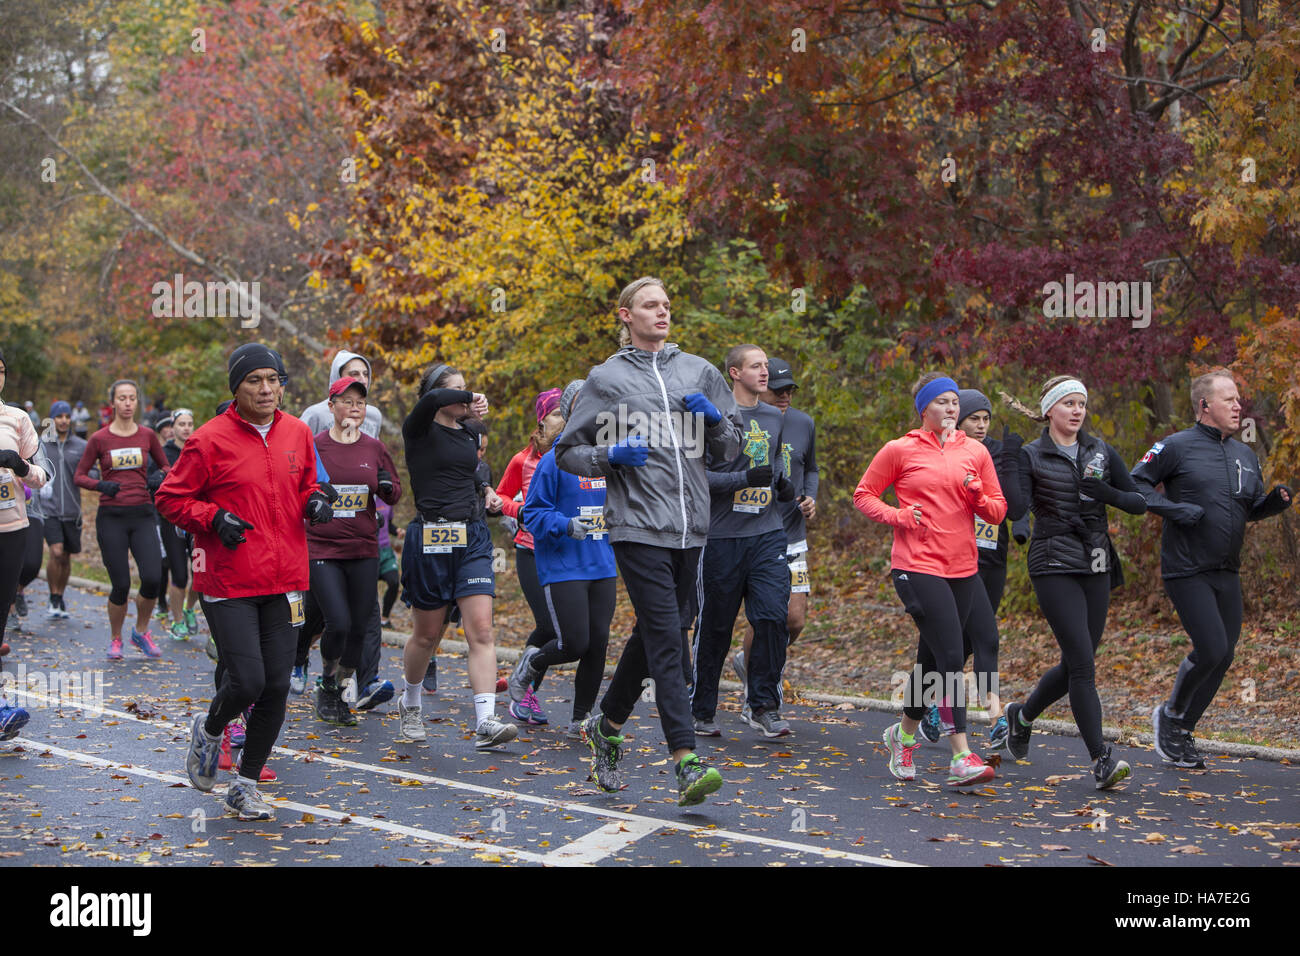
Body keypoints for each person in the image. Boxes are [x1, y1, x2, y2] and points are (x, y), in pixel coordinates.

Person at [555, 275, 741, 806]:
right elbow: (568, 450)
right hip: (636, 526)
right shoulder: (607, 380)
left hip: (691, 529)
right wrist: (608, 457)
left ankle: (606, 725)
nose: (662, 312)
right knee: (668, 640)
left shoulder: (698, 371)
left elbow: (730, 451)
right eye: (650, 305)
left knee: (660, 630)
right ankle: (685, 759)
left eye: (666, 303)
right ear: (625, 315)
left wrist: (715, 425)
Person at [157, 343, 333, 820]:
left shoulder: (297, 432)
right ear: (236, 387)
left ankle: (246, 784)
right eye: (255, 380)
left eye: (273, 379)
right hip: (228, 579)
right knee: (248, 679)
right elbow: (170, 499)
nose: (266, 388)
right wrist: (212, 517)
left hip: (286, 577)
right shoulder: (209, 440)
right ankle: (211, 729)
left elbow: (310, 484)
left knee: (276, 685)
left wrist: (316, 501)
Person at [1132, 370, 1292, 769]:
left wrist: (1272, 504)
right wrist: (1174, 509)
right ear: (1205, 406)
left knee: (1223, 657)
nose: (1239, 406)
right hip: (1187, 569)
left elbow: (1246, 510)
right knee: (1212, 648)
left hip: (1227, 571)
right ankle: (1169, 716)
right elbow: (1135, 484)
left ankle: (1182, 729)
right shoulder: (1175, 447)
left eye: (1239, 399)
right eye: (1230, 400)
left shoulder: (1245, 455)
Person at [855, 372, 1004, 787]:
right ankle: (961, 756)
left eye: (956, 401)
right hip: (916, 564)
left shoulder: (975, 452)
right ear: (925, 409)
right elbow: (863, 494)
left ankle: (901, 736)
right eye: (942, 402)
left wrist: (977, 495)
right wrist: (897, 515)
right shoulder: (899, 450)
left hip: (963, 567)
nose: (952, 408)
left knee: (931, 662)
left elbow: (997, 511)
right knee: (952, 657)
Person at [1000, 375, 1146, 790]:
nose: (1078, 411)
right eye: (1069, 404)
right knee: (1083, 663)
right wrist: (1010, 464)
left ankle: (1022, 716)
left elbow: (1137, 503)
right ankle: (1101, 759)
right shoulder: (1033, 454)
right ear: (1049, 410)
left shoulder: (1099, 449)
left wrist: (1107, 493)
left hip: (1096, 560)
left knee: (1074, 664)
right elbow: (1016, 509)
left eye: (1082, 403)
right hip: (1052, 561)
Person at [396, 362, 516, 749]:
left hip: (473, 537)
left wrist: (487, 491)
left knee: (481, 630)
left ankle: (486, 721)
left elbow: (470, 472)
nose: (468, 395)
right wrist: (468, 397)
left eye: (469, 389)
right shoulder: (419, 429)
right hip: (431, 536)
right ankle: (410, 702)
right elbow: (431, 399)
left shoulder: (468, 434)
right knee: (427, 634)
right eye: (459, 390)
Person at [691, 344, 796, 738]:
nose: (765, 372)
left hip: (767, 534)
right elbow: (697, 479)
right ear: (735, 373)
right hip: (721, 537)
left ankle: (763, 705)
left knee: (771, 618)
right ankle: (701, 708)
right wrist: (741, 480)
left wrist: (784, 484)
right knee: (716, 626)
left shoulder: (773, 415)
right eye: (756, 366)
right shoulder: (712, 417)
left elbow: (778, 462)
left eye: (766, 365)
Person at [917, 389, 1022, 748]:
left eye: (986, 418)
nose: (981, 425)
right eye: (974, 418)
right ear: (958, 420)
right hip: (944, 560)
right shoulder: (944, 452)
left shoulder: (994, 452)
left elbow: (1010, 503)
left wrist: (1011, 458)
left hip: (989, 558)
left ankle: (981, 716)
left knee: (979, 640)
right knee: (942, 649)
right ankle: (930, 709)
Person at [517, 379, 618, 738]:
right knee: (574, 643)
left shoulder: (607, 457)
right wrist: (565, 524)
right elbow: (533, 513)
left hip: (602, 563)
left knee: (598, 643)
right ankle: (533, 662)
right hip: (564, 564)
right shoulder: (553, 461)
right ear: (575, 410)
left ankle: (581, 719)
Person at [305, 376, 401, 725]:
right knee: (339, 622)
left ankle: (342, 690)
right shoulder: (313, 444)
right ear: (331, 406)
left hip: (363, 548)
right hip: (322, 547)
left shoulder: (374, 448)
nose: (355, 407)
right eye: (347, 400)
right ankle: (326, 681)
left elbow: (395, 493)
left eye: (360, 401)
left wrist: (388, 487)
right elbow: (298, 487)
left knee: (360, 626)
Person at [736, 356, 818, 714]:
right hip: (753, 531)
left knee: (794, 619)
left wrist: (810, 496)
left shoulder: (803, 423)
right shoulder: (742, 421)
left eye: (790, 390)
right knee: (765, 615)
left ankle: (750, 662)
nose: (785, 396)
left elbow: (810, 468)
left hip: (793, 533)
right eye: (778, 390)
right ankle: (758, 689)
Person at [74, 379, 168, 660]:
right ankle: (116, 639)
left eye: (132, 398)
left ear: (137, 402)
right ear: (112, 402)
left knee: (152, 578)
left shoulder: (147, 435)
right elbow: (79, 475)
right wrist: (99, 485)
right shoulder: (100, 438)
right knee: (121, 585)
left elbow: (167, 466)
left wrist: (159, 476)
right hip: (111, 517)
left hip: (142, 515)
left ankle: (140, 631)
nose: (127, 403)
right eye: (122, 398)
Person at [498, 388, 564, 725]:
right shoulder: (522, 460)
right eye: (557, 412)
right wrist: (521, 511)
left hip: (565, 552)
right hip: (530, 550)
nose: (564, 417)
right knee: (550, 625)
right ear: (542, 420)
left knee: (559, 630)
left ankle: (519, 681)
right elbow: (498, 498)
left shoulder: (576, 456)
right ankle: (524, 692)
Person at [0, 348, 49, 738]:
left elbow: (41, 476)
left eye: (0, 370)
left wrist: (19, 466)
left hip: (12, 528)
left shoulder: (16, 418)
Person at [39, 401, 88, 620]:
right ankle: (52, 595)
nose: (64, 420)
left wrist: (94, 478)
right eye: (59, 417)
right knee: (56, 552)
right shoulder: (42, 445)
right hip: (48, 508)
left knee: (66, 557)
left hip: (72, 509)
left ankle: (60, 595)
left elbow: (90, 471)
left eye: (67, 416)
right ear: (52, 419)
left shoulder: (80, 445)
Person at [377, 496, 401, 628]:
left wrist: (397, 530)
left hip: (386, 550)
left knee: (394, 582)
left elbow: (387, 523)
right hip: (369, 549)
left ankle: (384, 619)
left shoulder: (387, 499)